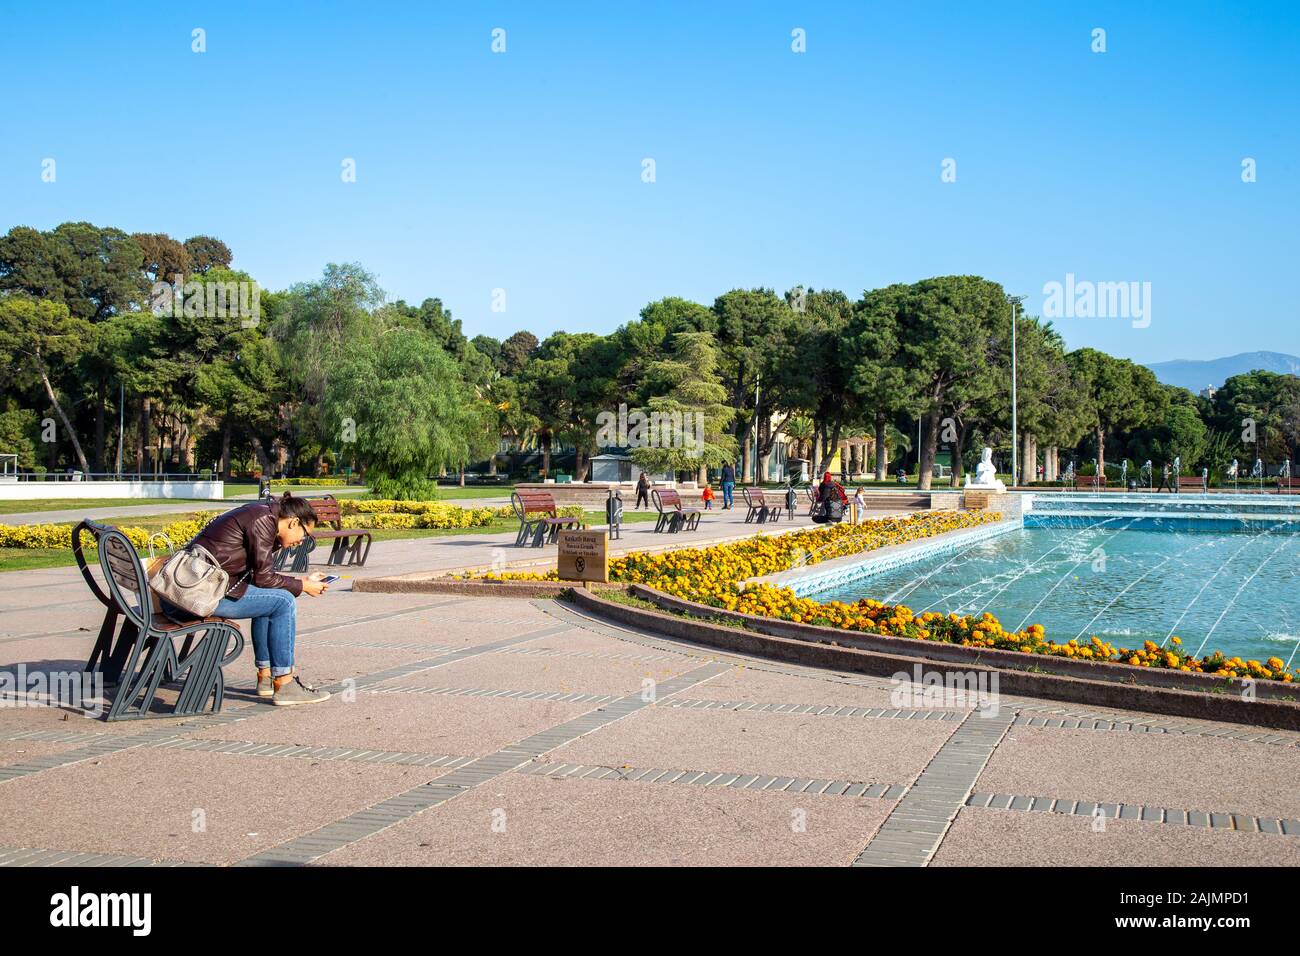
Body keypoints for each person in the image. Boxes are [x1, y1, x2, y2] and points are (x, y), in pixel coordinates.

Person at [161, 492, 331, 706]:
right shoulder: (263, 522)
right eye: (305, 534)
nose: (301, 542)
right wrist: (303, 586)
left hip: (195, 591)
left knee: (274, 599)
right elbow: (264, 578)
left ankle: (267, 677)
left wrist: (302, 581)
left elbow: (261, 578)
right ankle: (285, 683)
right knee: (284, 602)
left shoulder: (262, 516)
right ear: (293, 522)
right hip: (197, 597)